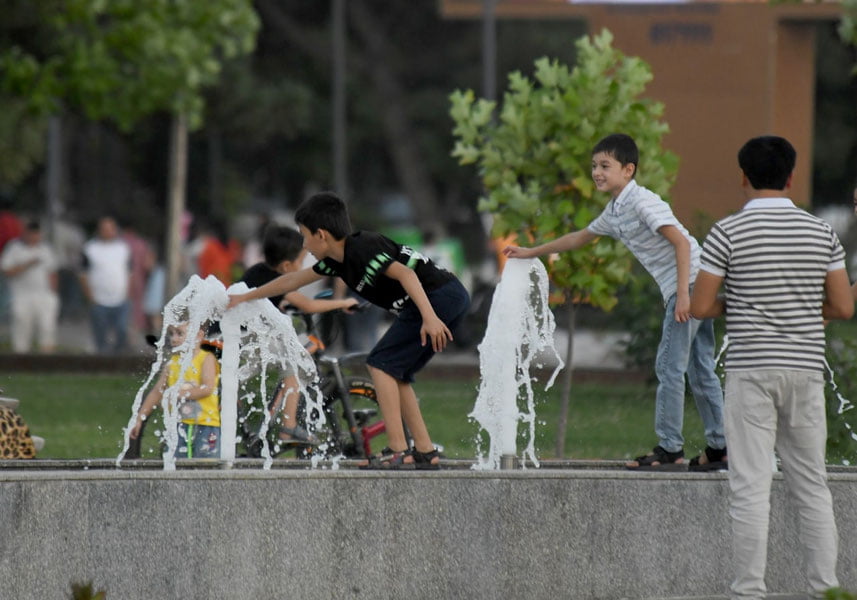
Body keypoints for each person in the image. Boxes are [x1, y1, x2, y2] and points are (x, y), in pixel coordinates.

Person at [690, 136, 853, 599]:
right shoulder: (821, 232)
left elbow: (701, 305)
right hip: (804, 370)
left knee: (749, 487)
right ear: (791, 176)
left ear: (743, 176)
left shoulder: (726, 232)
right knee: (812, 485)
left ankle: (748, 592)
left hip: (751, 371)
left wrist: (740, 304)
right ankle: (827, 591)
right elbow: (842, 307)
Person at [504, 133, 726, 470]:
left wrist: (684, 295)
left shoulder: (642, 202)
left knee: (669, 367)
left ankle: (670, 449)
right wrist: (531, 252)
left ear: (628, 169)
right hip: (693, 285)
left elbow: (681, 243)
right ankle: (721, 447)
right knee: (699, 368)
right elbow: (579, 238)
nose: (597, 172)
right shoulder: (616, 210)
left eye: (605, 166)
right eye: (594, 166)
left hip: (690, 285)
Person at [227, 191, 470, 469]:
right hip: (431, 302)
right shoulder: (336, 262)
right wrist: (246, 297)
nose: (304, 246)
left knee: (380, 364)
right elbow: (291, 280)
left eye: (305, 236)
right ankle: (425, 451)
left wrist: (429, 316)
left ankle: (397, 448)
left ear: (321, 235)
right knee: (396, 372)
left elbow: (406, 273)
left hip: (439, 297)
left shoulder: (362, 246)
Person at [240, 223, 359, 445]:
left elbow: (264, 300)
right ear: (286, 266)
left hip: (234, 339)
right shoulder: (278, 281)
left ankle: (261, 427)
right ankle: (288, 427)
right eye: (301, 261)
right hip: (246, 341)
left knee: (293, 349)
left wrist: (281, 303)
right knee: (297, 361)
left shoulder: (258, 271)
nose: (303, 265)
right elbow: (309, 305)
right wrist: (343, 302)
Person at [129, 320, 221, 458]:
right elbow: (156, 392)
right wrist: (139, 418)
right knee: (176, 462)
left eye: (179, 334)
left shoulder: (206, 359)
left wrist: (177, 393)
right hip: (178, 424)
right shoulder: (172, 364)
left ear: (198, 335)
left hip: (206, 424)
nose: (173, 338)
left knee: (206, 464)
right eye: (171, 334)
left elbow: (207, 388)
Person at [0, 220, 60, 353]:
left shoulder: (45, 249)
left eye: (36, 234)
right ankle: (21, 359)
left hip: (44, 294)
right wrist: (28, 264)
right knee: (22, 326)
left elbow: (53, 272)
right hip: (21, 295)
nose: (34, 237)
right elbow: (7, 270)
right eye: (31, 234)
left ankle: (47, 359)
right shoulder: (14, 248)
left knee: (47, 327)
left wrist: (53, 294)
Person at [79, 216, 131, 354]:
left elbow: (129, 272)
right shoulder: (90, 248)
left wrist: (127, 293)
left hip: (120, 299)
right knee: (100, 335)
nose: (107, 232)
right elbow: (83, 274)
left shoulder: (123, 248)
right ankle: (102, 363)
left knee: (122, 330)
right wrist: (90, 297)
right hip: (98, 299)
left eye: (110, 229)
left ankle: (118, 358)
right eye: (104, 229)